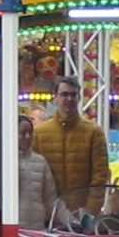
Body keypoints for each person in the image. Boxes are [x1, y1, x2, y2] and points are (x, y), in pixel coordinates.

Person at [34, 77, 111, 216]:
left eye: (73, 95)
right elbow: (35, 178)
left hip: (81, 214)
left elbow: (100, 176)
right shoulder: (39, 133)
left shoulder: (94, 132)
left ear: (79, 98)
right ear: (55, 98)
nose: (69, 99)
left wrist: (90, 211)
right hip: (48, 217)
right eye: (64, 94)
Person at [13, 109, 62, 231]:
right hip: (12, 230)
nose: (27, 137)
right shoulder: (2, 162)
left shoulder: (40, 161)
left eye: (30, 132)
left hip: (36, 230)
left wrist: (71, 222)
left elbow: (51, 199)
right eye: (22, 133)